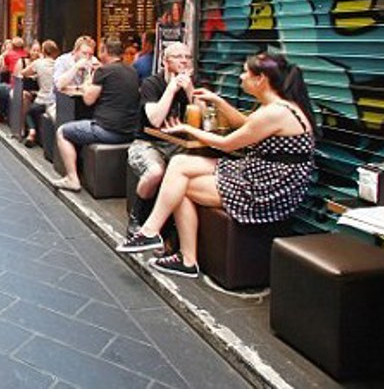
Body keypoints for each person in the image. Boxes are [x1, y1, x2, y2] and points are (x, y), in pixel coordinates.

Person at [118, 53, 317, 279]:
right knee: (179, 165)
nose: (241, 77)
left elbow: (226, 143)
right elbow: (244, 124)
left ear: (261, 79)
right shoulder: (276, 106)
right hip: (260, 173)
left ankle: (180, 253)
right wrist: (219, 101)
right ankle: (154, 234)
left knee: (179, 184)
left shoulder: (275, 112)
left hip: (268, 189)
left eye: (245, 73)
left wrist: (188, 129)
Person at [54, 36, 140, 192]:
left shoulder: (103, 70)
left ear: (104, 51)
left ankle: (72, 178)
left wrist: (90, 79)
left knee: (62, 132)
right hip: (130, 131)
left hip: (109, 131)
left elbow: (88, 100)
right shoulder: (132, 70)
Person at [125, 41, 194, 235]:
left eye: (187, 57)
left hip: (178, 145)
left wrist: (189, 89)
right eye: (178, 57)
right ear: (165, 61)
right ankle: (136, 218)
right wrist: (172, 88)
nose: (184, 61)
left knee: (187, 178)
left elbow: (204, 118)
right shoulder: (151, 84)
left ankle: (173, 232)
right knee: (156, 172)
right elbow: (155, 120)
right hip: (148, 143)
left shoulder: (193, 83)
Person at [22, 40, 61, 147]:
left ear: (43, 51)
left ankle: (32, 132)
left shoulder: (38, 63)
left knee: (29, 112)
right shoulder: (59, 64)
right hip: (54, 101)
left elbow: (24, 73)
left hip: (42, 99)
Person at [0, 37, 29, 124]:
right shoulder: (27, 54)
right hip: (25, 86)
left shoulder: (9, 55)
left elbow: (2, 69)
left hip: (14, 86)